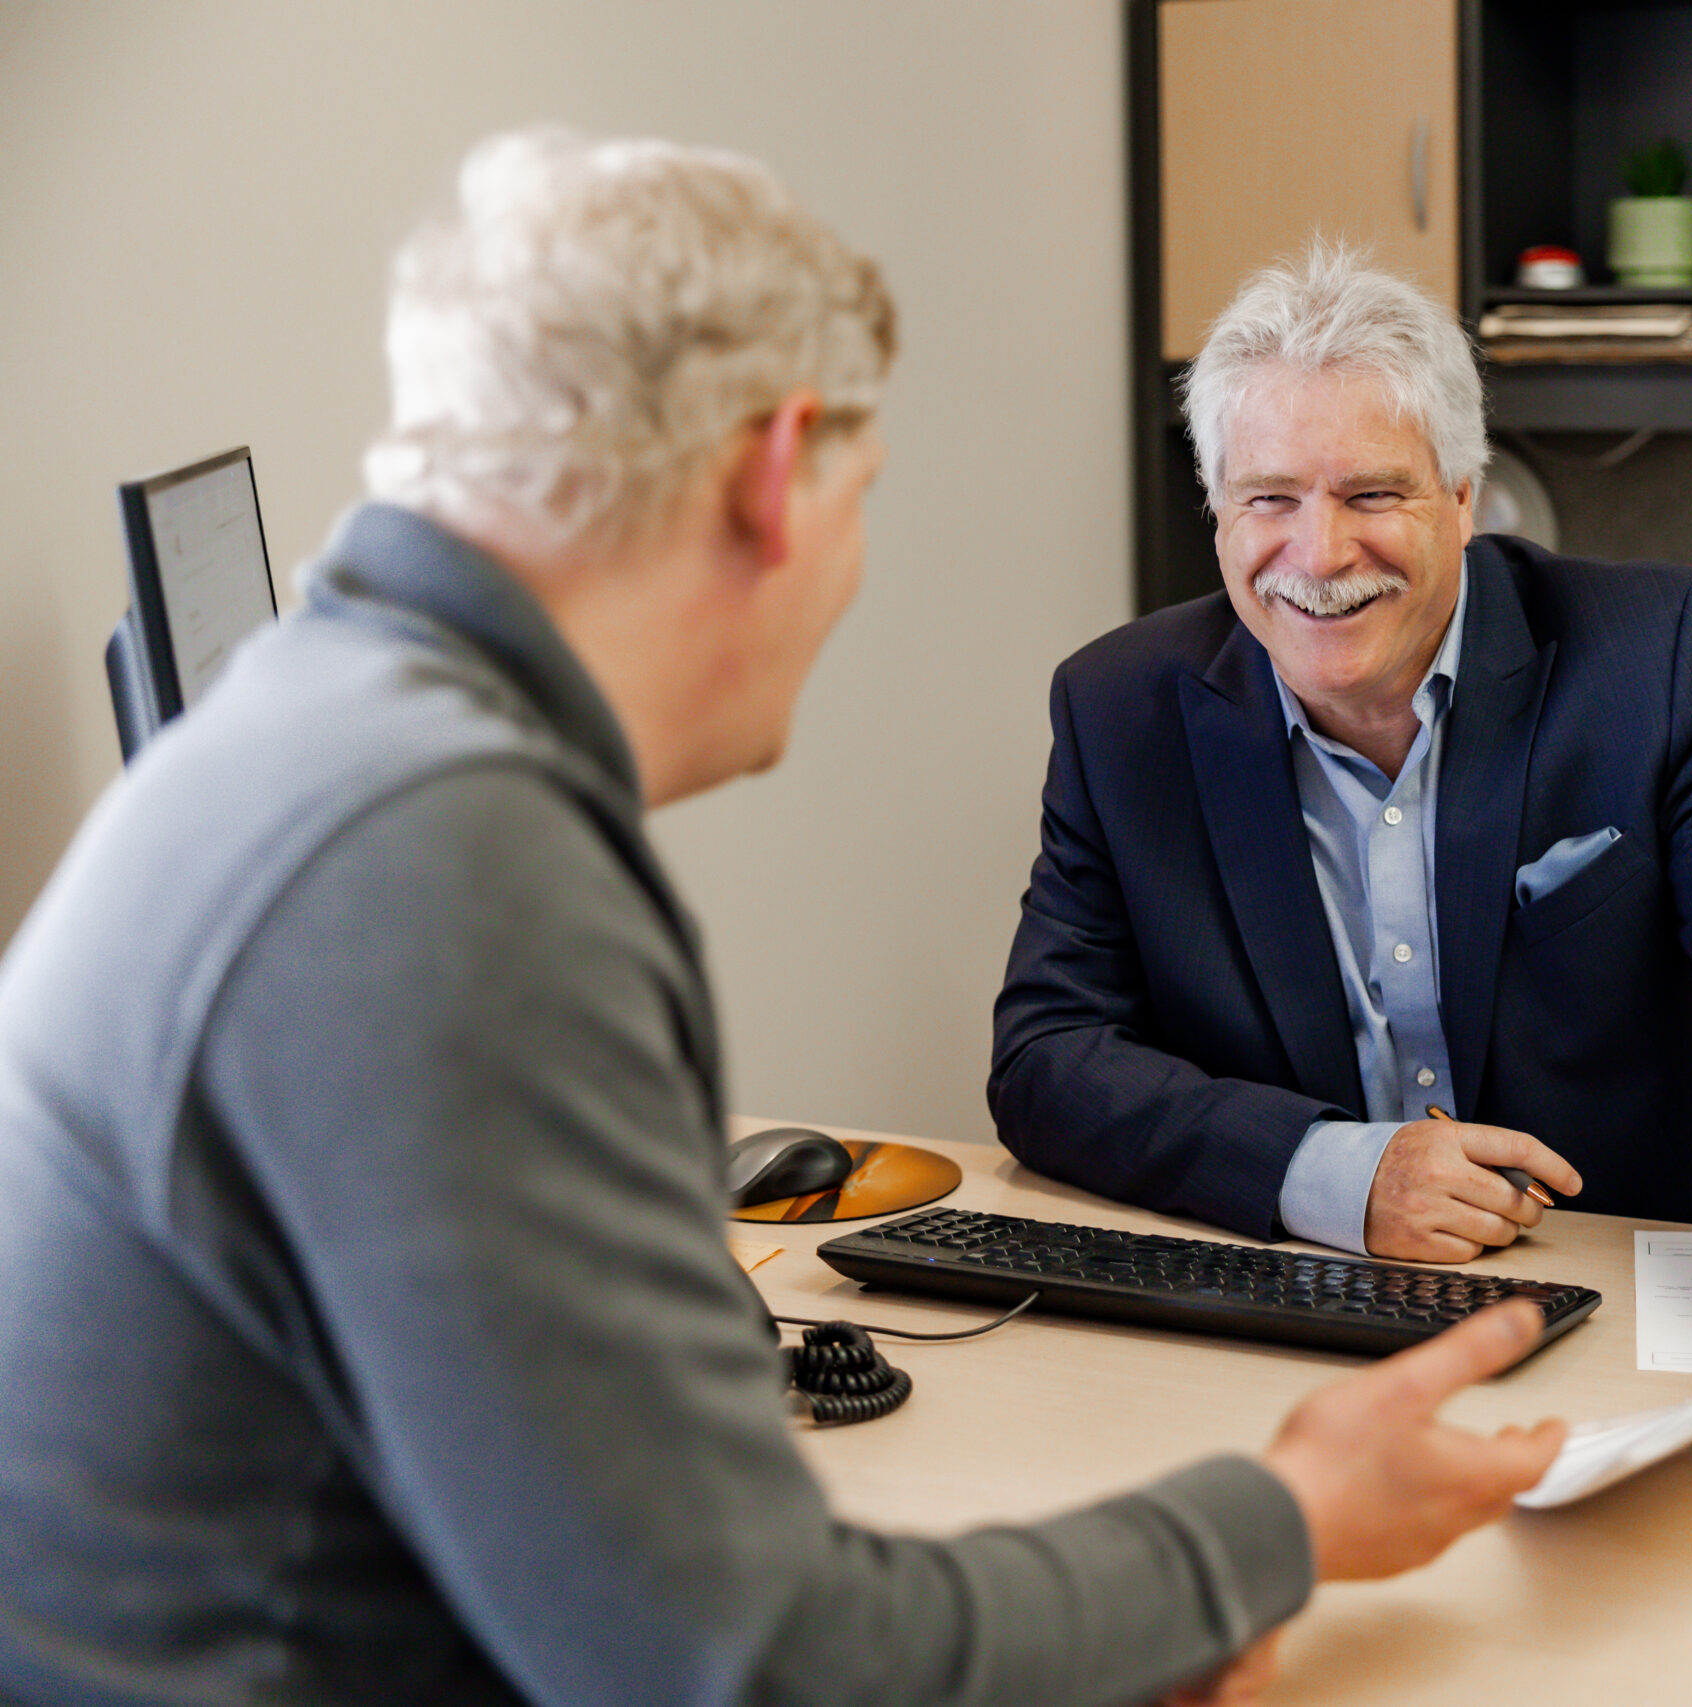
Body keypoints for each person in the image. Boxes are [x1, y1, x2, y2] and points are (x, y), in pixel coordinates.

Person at [0, 134, 1566, 1707]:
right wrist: (1280, 1518)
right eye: (864, 495)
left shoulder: (327, 731)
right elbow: (751, 1657)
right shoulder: (447, 868)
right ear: (772, 473)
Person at [992, 246, 1692, 1443]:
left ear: (1462, 497)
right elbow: (1047, 1054)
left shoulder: (1658, 655)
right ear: (1219, 513)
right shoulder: (1118, 708)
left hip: (1632, 1329)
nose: (1318, 554)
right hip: (1308, 1336)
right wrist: (1337, 1173)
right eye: (1268, 499)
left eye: (1372, 495)